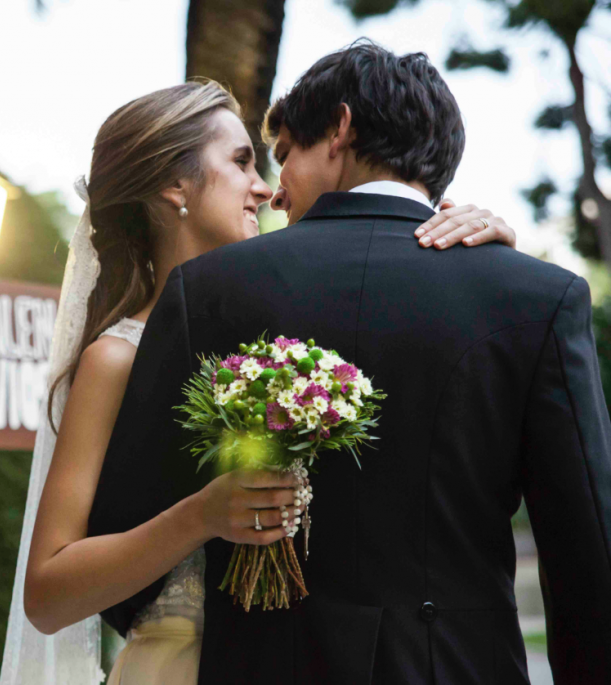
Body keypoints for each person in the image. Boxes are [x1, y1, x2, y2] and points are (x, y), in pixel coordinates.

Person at [89, 41, 611, 684]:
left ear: (338, 129)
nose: (277, 193)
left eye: (285, 157)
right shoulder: (540, 296)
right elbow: (588, 555)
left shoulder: (207, 289)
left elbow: (124, 549)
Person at [0, 75, 518, 685]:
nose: (265, 187)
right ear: (174, 185)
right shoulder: (116, 358)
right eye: (242, 161)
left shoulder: (300, 332)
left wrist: (492, 261)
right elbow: (48, 593)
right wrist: (199, 516)